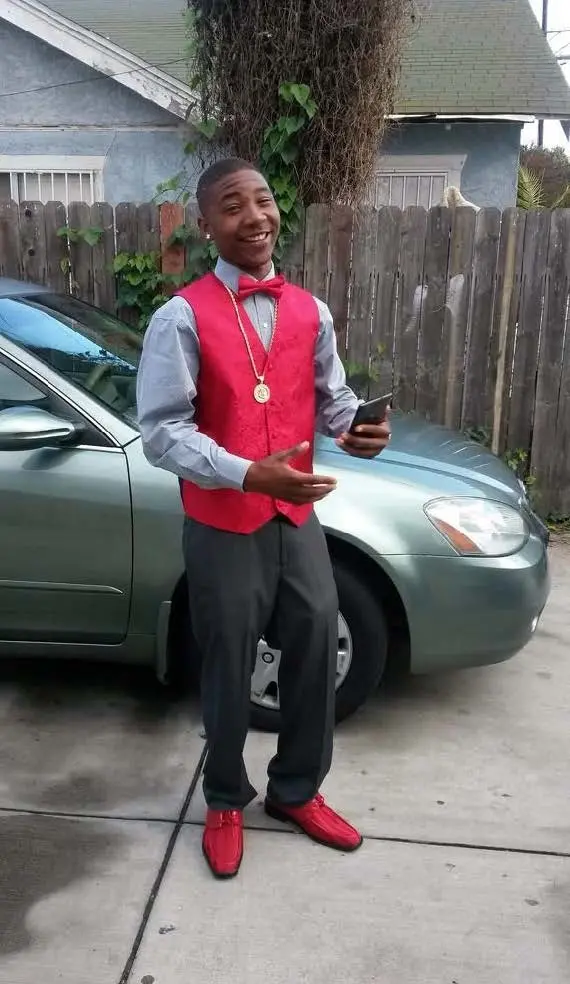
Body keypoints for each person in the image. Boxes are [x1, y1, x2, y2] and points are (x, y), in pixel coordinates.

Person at [136, 158, 391, 879]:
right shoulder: (179, 316)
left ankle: (296, 791)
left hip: (296, 518)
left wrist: (357, 427)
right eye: (230, 206)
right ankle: (223, 798)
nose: (253, 217)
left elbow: (332, 398)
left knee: (314, 655)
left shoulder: (312, 310)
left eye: (263, 200)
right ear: (207, 223)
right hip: (222, 522)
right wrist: (247, 472)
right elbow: (160, 432)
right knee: (226, 665)